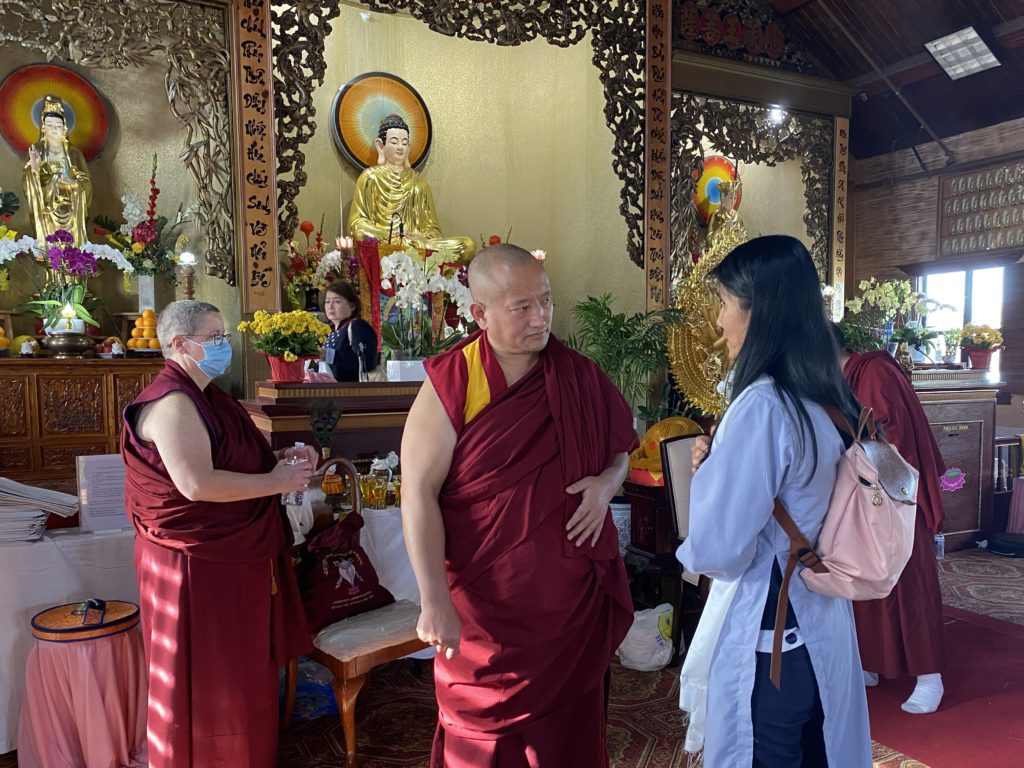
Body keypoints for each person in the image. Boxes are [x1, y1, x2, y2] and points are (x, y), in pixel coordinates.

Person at [401, 244, 637, 767]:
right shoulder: (454, 381)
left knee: (566, 742)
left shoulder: (578, 375)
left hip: (567, 607)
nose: (541, 318)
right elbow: (416, 490)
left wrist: (604, 484)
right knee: (480, 740)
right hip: (485, 608)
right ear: (480, 313)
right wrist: (433, 599)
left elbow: (622, 451)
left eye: (546, 301)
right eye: (522, 307)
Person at [676, 235, 871, 767]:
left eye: (722, 303)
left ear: (757, 308)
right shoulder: (825, 393)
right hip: (818, 627)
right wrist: (722, 463)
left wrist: (712, 478)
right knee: (818, 752)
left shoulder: (762, 403)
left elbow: (720, 550)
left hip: (771, 644)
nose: (718, 321)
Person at [120, 300, 314, 768]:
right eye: (214, 338)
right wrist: (275, 483)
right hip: (193, 563)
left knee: (244, 674)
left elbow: (235, 458)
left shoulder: (212, 396)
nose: (224, 345)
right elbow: (196, 484)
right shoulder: (173, 402)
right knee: (208, 678)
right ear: (180, 345)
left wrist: (283, 458)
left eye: (224, 335)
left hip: (230, 558)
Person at [832, 323, 946, 714]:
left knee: (910, 585)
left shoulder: (873, 372)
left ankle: (930, 676)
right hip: (863, 496)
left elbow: (884, 438)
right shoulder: (845, 379)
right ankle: (872, 663)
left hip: (896, 495)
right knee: (865, 581)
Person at [348, 113, 475, 260]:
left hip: (415, 245)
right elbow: (357, 224)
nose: (400, 147)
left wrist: (417, 238)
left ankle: (407, 249)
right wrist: (395, 238)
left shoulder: (419, 183)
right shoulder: (369, 177)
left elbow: (433, 231)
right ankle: (404, 247)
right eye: (394, 142)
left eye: (404, 143)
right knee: (360, 233)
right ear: (381, 146)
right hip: (384, 242)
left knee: (467, 245)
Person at [22, 95, 92, 246]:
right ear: (43, 127)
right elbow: (29, 184)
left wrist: (73, 184)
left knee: (73, 256)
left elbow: (86, 182)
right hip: (47, 213)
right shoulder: (38, 151)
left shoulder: (73, 153)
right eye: (50, 124)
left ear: (64, 127)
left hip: (72, 210)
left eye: (58, 125)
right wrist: (34, 170)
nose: (54, 129)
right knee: (52, 253)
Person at [321, 281, 377, 381]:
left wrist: (329, 355)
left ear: (352, 306)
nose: (330, 306)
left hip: (353, 392)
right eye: (327, 301)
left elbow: (365, 363)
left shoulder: (357, 326)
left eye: (337, 301)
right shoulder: (330, 333)